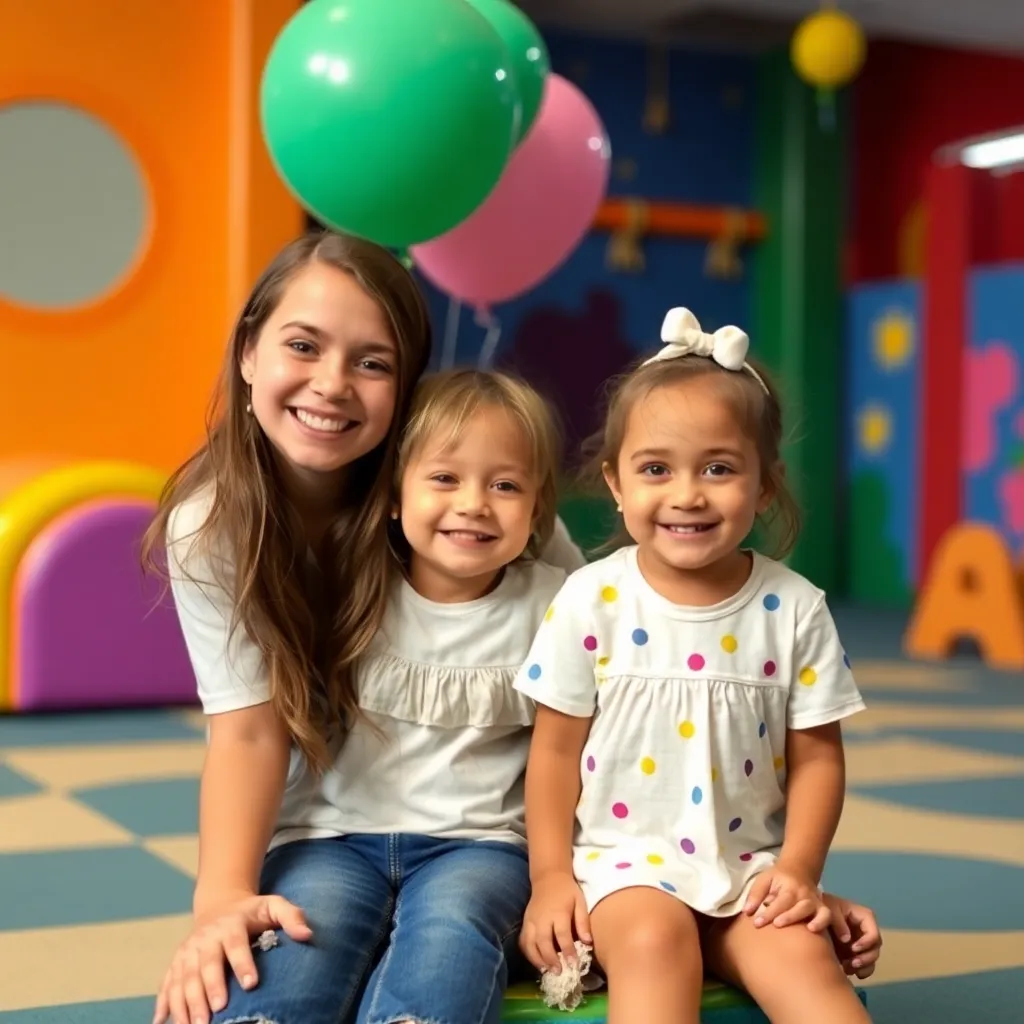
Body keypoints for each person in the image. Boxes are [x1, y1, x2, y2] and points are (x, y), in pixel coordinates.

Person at [144, 231, 582, 1024]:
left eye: (373, 362)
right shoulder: (212, 525)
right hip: (331, 824)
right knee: (294, 949)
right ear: (248, 352)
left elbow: (595, 670)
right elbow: (246, 731)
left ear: (407, 389)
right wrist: (223, 902)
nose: (332, 385)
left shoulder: (466, 497)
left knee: (448, 934)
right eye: (302, 345)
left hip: (478, 838)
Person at [515, 308, 873, 1023]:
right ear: (616, 484)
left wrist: (800, 873)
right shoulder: (592, 599)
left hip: (750, 874)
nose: (687, 494)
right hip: (626, 871)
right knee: (655, 945)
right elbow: (554, 754)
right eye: (656, 469)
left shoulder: (794, 608)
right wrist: (551, 878)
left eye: (719, 468)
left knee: (808, 967)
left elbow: (818, 761)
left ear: (764, 486)